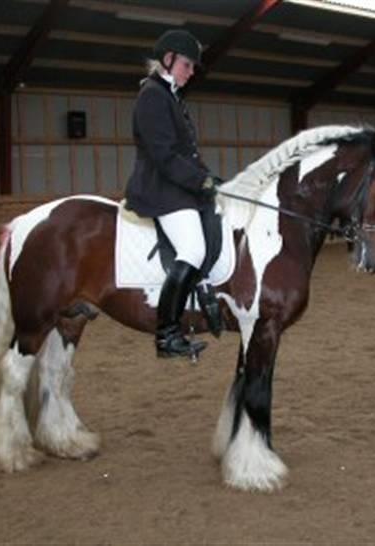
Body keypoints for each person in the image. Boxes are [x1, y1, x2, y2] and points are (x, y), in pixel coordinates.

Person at [125, 29, 223, 359]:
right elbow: (164, 155)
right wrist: (199, 182)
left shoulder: (171, 96)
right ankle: (167, 334)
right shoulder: (153, 95)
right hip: (160, 187)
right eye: (187, 65)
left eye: (193, 67)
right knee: (192, 250)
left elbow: (187, 153)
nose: (191, 72)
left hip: (177, 185)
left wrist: (207, 178)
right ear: (167, 60)